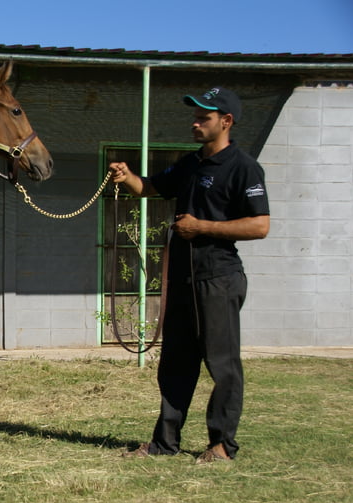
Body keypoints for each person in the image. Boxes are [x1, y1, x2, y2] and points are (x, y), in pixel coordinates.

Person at [110, 87, 270, 463]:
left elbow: (260, 225)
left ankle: (222, 445)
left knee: (222, 365)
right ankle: (165, 443)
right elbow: (150, 188)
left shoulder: (244, 167)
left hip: (218, 279)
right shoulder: (190, 163)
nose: (195, 123)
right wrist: (127, 175)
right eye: (195, 116)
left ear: (226, 122)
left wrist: (203, 228)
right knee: (175, 365)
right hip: (182, 279)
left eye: (204, 117)